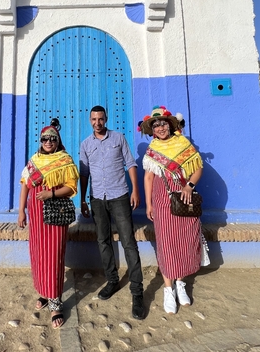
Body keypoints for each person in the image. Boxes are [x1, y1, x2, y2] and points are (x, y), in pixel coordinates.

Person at [80, 106, 144, 320]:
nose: (97, 122)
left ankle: (137, 292)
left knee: (128, 241)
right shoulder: (86, 145)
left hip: (120, 196)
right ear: (90, 121)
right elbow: (84, 173)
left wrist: (135, 190)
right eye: (94, 119)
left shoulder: (118, 138)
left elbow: (131, 164)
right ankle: (113, 280)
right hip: (97, 198)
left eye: (101, 119)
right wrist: (82, 199)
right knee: (103, 241)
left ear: (106, 119)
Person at [141, 106, 203, 314]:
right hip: (162, 200)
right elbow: (149, 177)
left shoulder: (183, 145)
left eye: (163, 124)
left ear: (170, 125)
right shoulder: (152, 150)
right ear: (153, 129)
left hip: (184, 197)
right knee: (166, 242)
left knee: (185, 239)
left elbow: (197, 168)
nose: (160, 128)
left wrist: (189, 186)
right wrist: (149, 204)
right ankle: (168, 289)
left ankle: (181, 283)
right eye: (156, 125)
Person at [18, 119, 79, 329]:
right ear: (40, 140)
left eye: (52, 138)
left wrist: (51, 193)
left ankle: (55, 302)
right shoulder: (33, 161)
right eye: (45, 138)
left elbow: (71, 188)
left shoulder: (64, 160)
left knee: (53, 254)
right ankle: (44, 291)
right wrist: (21, 212)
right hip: (35, 214)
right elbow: (25, 186)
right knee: (38, 253)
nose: (48, 141)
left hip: (54, 213)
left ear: (58, 140)